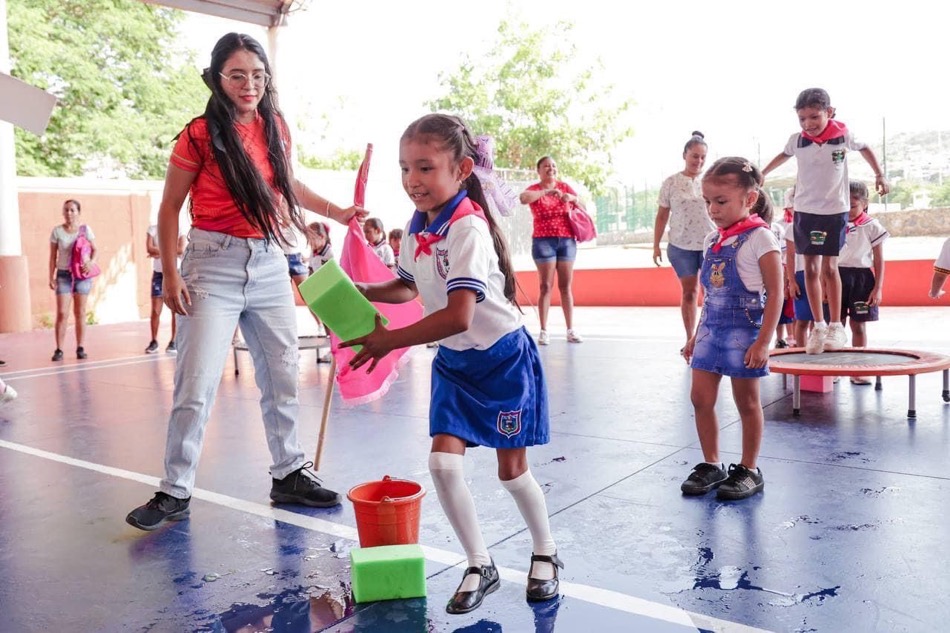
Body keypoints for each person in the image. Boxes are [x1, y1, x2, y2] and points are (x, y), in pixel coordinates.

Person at [125, 33, 364, 531]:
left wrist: (337, 211)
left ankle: (289, 473)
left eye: (257, 75)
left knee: (281, 374)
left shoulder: (274, 126)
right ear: (216, 79)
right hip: (212, 263)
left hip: (271, 260)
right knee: (197, 382)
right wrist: (170, 272)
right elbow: (170, 207)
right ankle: (175, 489)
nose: (249, 84)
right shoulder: (198, 135)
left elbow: (286, 183)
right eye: (237, 75)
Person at [343, 114, 562, 614]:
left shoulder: (467, 228)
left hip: (503, 362)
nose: (412, 180)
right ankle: (479, 563)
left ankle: (546, 552)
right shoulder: (417, 226)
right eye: (404, 169)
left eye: (425, 168)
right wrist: (360, 289)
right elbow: (409, 285)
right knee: (442, 464)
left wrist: (388, 340)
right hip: (455, 365)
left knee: (511, 473)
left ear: (461, 168)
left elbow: (460, 315)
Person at [681, 158, 782, 501]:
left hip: (745, 330)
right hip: (711, 328)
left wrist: (764, 342)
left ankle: (749, 469)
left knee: (747, 402)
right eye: (708, 201)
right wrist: (696, 334)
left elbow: (776, 293)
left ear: (749, 199)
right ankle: (712, 464)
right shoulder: (713, 240)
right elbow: (708, 295)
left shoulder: (761, 238)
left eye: (721, 201)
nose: (713, 209)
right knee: (700, 398)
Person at [762, 87, 889, 355]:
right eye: (802, 119)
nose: (808, 124)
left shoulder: (843, 135)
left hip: (834, 210)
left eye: (814, 117)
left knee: (830, 267)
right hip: (805, 210)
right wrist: (762, 173)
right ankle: (818, 326)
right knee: (810, 268)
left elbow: (865, 148)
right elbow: (783, 155)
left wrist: (879, 174)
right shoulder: (797, 140)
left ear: (829, 113)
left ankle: (835, 325)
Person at [654, 132, 715, 348]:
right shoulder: (671, 182)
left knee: (712, 294)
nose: (698, 161)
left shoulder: (711, 180)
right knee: (689, 292)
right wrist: (656, 245)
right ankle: (691, 339)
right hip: (680, 246)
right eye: (694, 156)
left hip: (710, 244)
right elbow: (662, 215)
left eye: (702, 157)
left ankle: (707, 336)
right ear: (685, 155)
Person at [519, 156, 585, 345]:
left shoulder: (565, 187)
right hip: (543, 241)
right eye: (546, 166)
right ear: (539, 170)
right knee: (545, 286)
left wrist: (571, 198)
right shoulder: (535, 189)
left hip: (566, 240)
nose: (551, 169)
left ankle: (570, 329)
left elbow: (583, 206)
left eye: (554, 166)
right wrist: (547, 191)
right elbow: (524, 198)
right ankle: (543, 330)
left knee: (565, 286)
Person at [838, 181, 888, 384]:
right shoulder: (835, 225)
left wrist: (878, 288)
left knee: (858, 326)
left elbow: (879, 259)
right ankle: (834, 369)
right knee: (836, 326)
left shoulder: (872, 226)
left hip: (861, 280)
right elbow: (826, 257)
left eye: (852, 205)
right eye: (843, 204)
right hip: (836, 277)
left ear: (864, 203)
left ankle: (857, 370)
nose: (848, 210)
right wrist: (824, 283)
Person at [48, 199, 97, 361]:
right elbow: (52, 256)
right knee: (62, 312)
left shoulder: (85, 230)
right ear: (63, 212)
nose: (69, 213)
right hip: (63, 274)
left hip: (82, 275)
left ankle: (80, 347)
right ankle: (59, 349)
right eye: (66, 210)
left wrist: (90, 262)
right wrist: (51, 276)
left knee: (80, 312)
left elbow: (95, 250)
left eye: (72, 210)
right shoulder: (57, 232)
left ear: (78, 212)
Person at [145, 223, 187, 354]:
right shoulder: (152, 229)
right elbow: (149, 249)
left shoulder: (180, 229)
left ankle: (173, 341)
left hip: (175, 273)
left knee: (175, 309)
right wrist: (169, 251)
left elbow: (181, 249)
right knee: (156, 311)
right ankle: (154, 341)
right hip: (158, 274)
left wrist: (159, 252)